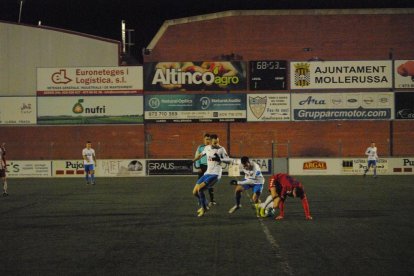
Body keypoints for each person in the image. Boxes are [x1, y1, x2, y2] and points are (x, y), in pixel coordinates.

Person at [192, 134, 229, 217]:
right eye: (215, 143)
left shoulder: (221, 149)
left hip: (215, 174)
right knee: (194, 192)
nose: (217, 144)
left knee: (200, 189)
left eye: (218, 142)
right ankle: (206, 204)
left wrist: (220, 159)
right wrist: (193, 160)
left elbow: (228, 161)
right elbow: (200, 155)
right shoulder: (207, 148)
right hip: (207, 173)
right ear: (211, 142)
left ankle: (204, 208)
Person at [194, 133, 217, 207]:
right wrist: (198, 167)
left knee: (210, 185)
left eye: (209, 139)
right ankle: (201, 200)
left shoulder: (213, 148)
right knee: (198, 185)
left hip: (210, 168)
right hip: (202, 167)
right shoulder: (200, 147)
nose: (208, 141)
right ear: (204, 139)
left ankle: (212, 200)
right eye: (206, 139)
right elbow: (197, 157)